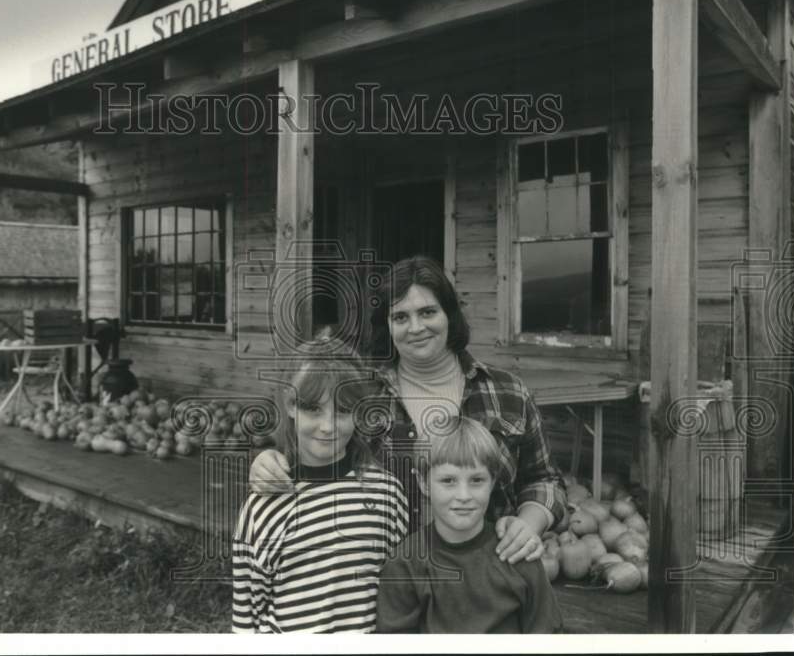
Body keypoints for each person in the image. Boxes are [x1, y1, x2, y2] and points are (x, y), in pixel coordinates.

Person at [250, 255, 566, 564]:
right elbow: (314, 457)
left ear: (449, 315)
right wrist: (269, 462)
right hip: (387, 586)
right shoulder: (360, 396)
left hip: (488, 580)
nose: (415, 327)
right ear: (386, 326)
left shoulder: (508, 392)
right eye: (400, 317)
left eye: (428, 312)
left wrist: (529, 522)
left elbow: (544, 479)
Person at [231, 337, 409, 633]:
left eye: (341, 410)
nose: (328, 426)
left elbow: (400, 591)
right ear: (290, 405)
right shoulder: (263, 507)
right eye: (313, 409)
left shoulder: (386, 493)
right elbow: (247, 615)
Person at [375, 416, 563, 633]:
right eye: (448, 481)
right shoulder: (404, 566)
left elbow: (548, 636)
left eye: (476, 480)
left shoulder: (518, 555)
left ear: (492, 482)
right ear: (424, 483)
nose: (463, 496)